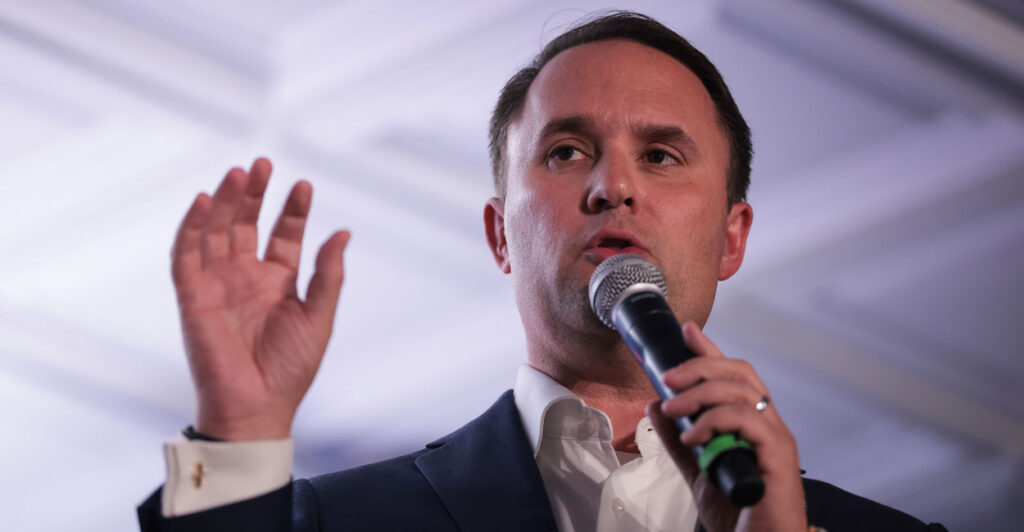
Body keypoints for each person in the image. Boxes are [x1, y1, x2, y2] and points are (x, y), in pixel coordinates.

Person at [137, 12, 945, 532]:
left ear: (732, 239)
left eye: (660, 156)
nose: (613, 186)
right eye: (566, 152)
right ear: (500, 236)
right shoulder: (338, 521)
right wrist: (238, 436)